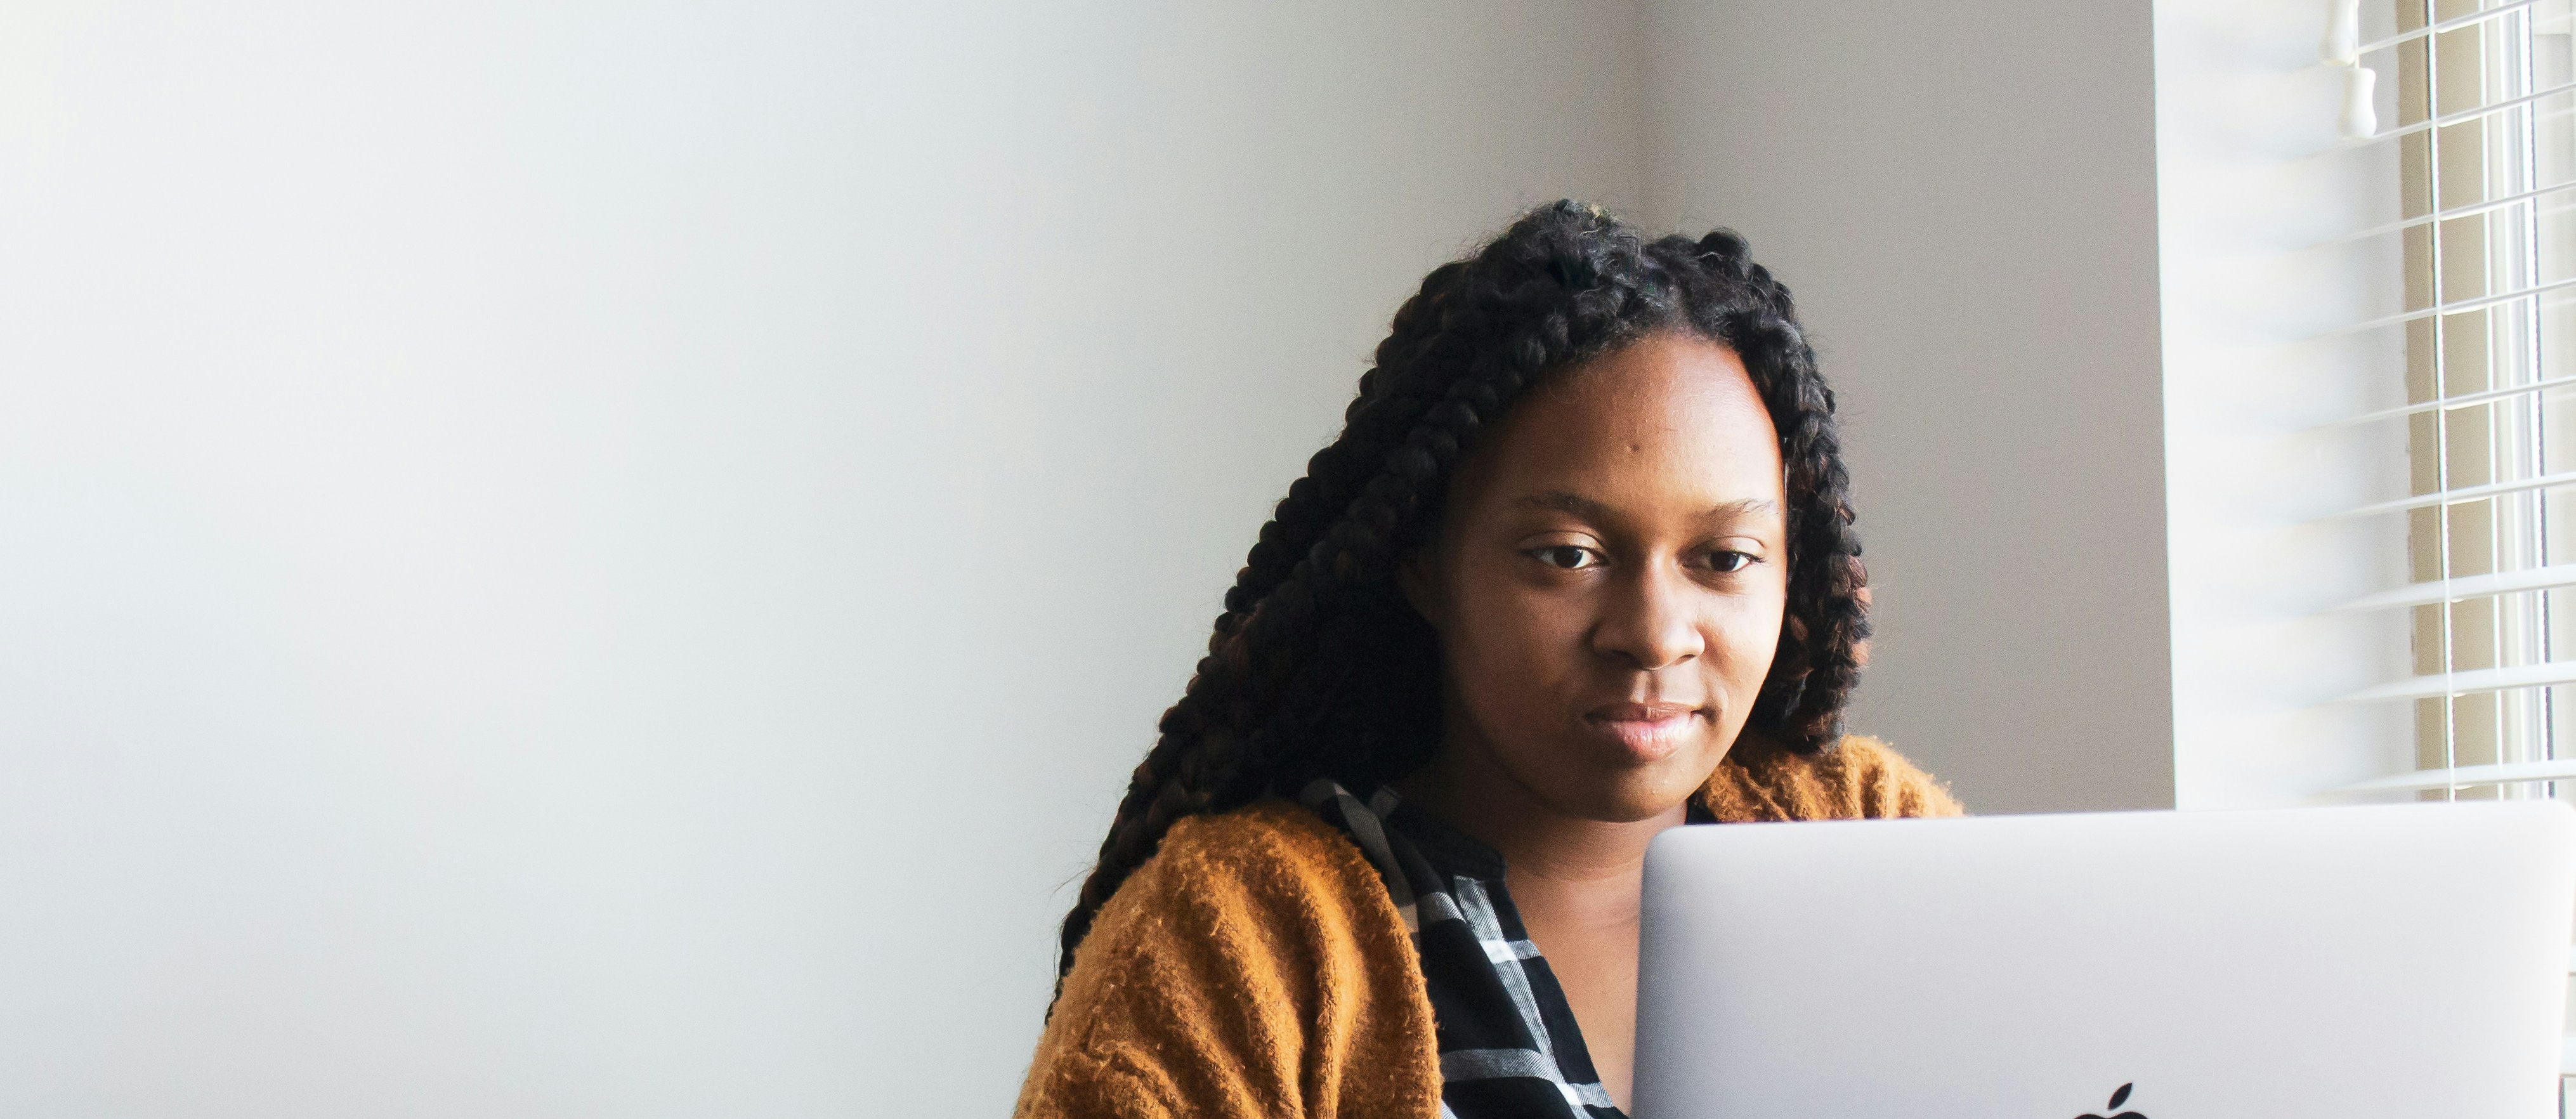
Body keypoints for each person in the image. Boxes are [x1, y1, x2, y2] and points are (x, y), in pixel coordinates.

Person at [1014, 202, 1961, 1119]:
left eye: (1724, 560)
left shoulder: (1869, 839)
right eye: (1567, 556)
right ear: (1424, 562)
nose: (1655, 632)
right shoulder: (1239, 940)